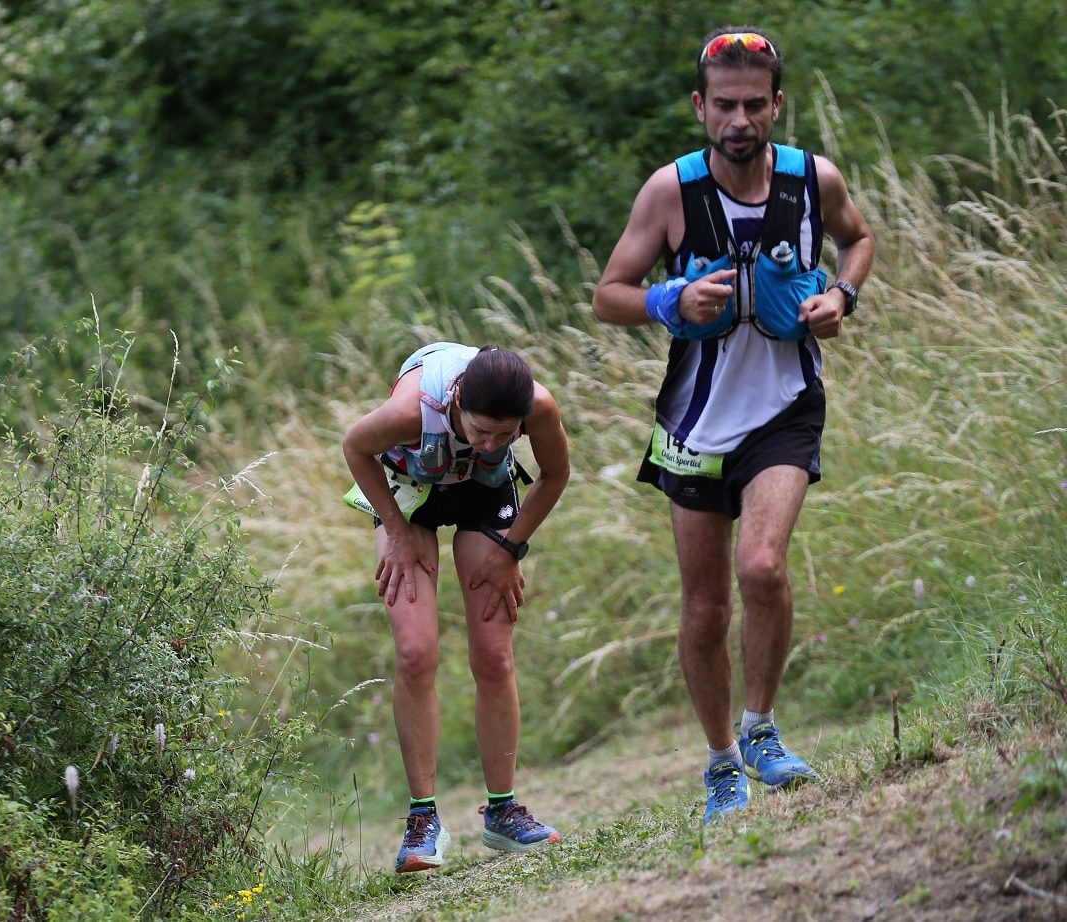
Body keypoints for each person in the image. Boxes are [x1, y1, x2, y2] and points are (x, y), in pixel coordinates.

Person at [591, 27, 874, 824]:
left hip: (785, 407)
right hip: (694, 420)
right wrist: (667, 300)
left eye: (754, 104)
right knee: (707, 606)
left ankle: (761, 730)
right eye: (724, 105)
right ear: (699, 107)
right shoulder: (669, 193)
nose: (739, 120)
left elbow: (858, 239)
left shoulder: (813, 180)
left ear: (777, 105)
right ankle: (721, 764)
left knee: (763, 566)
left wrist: (842, 297)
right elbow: (608, 295)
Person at [342, 341, 570, 872]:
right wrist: (396, 531)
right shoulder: (411, 410)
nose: (490, 442)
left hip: (483, 492)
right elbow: (354, 446)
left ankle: (503, 812)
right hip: (410, 489)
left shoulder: (537, 406)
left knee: (493, 654)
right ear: (459, 399)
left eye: (504, 435)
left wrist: (511, 549)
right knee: (415, 653)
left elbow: (556, 475)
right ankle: (423, 820)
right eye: (481, 430)